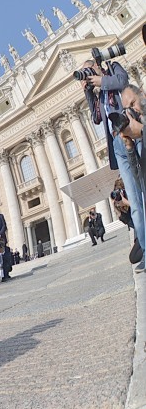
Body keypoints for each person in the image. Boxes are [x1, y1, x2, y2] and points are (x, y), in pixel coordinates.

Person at [81, 61, 144, 271]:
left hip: (133, 134)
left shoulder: (112, 69)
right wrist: (89, 93)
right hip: (118, 144)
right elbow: (97, 118)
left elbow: (123, 81)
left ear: (97, 64)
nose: (88, 73)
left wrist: (101, 79)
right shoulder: (99, 94)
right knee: (134, 202)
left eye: (89, 68)